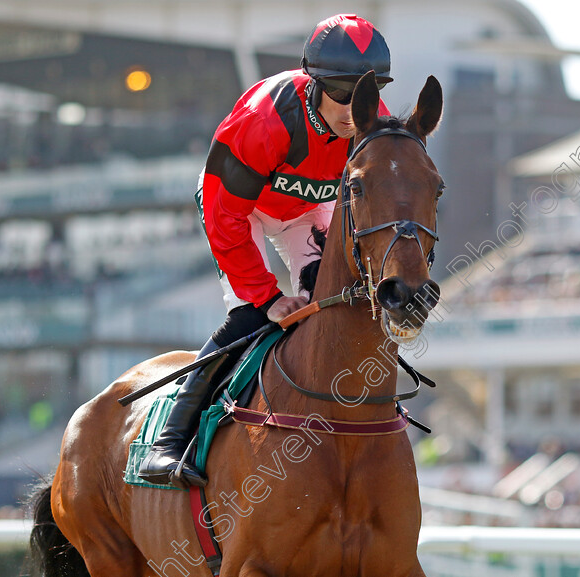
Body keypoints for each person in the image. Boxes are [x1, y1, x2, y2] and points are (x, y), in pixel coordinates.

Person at [138, 13, 393, 488]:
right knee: (253, 318)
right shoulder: (265, 120)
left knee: (330, 300)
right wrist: (266, 296)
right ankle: (168, 442)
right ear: (314, 83)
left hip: (310, 209)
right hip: (239, 210)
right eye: (339, 92)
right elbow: (224, 215)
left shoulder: (372, 121)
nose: (352, 108)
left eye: (365, 93)